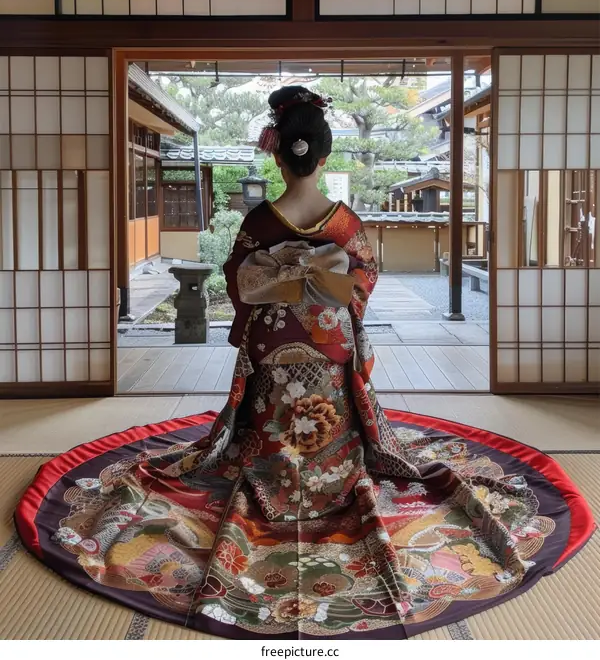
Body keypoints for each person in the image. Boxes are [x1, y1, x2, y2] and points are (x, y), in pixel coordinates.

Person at [16, 86, 593, 640]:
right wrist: (330, 300)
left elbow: (241, 287)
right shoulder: (346, 225)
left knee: (267, 402)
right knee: (336, 398)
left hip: (273, 338)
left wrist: (278, 296)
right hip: (330, 336)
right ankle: (336, 467)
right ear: (324, 154)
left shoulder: (259, 222)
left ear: (277, 151)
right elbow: (362, 283)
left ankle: (266, 458)